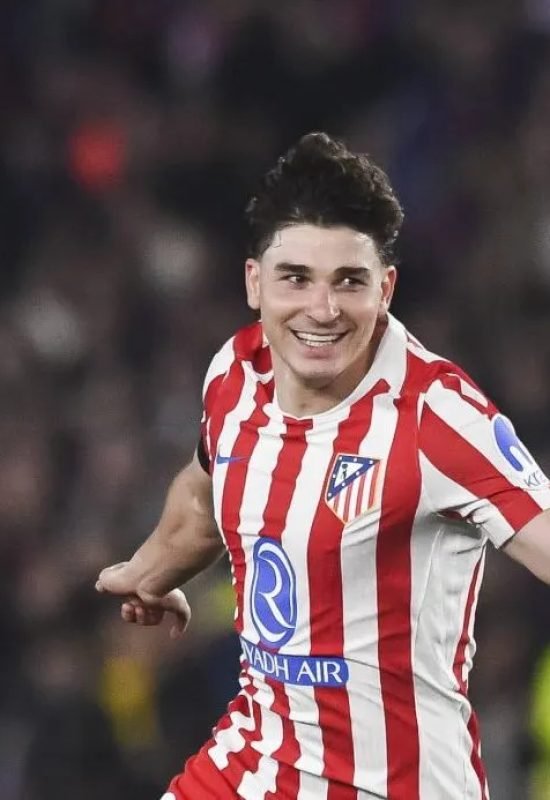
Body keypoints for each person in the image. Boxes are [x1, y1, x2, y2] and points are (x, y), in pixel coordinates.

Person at [96, 132, 550, 800]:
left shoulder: (438, 417)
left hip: (395, 785)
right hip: (255, 757)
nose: (323, 309)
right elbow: (204, 490)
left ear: (386, 288)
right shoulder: (235, 374)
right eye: (296, 278)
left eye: (349, 282)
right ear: (255, 282)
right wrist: (148, 572)